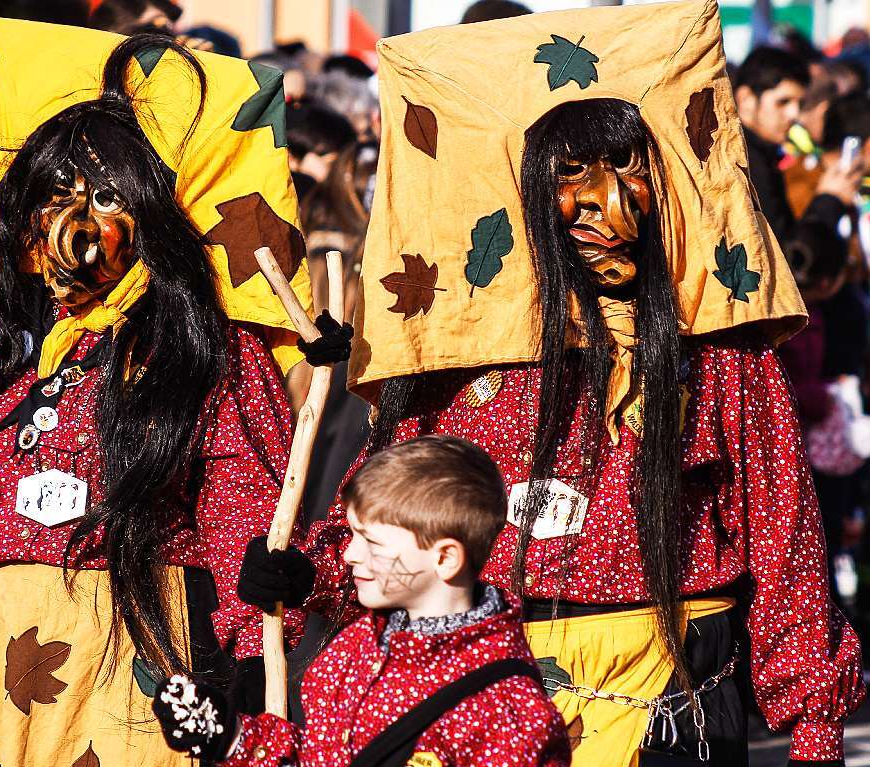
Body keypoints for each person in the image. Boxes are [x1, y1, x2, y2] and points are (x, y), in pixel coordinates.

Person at [239, 1, 865, 763]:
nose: (609, 204)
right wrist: (308, 573)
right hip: (490, 701)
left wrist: (815, 725)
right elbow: (392, 506)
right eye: (572, 174)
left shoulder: (717, 350)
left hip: (677, 700)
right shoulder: (463, 347)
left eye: (627, 167)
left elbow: (782, 529)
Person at [0, 20, 315, 767]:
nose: (74, 224)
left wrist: (263, 602)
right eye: (54, 193)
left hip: (131, 669)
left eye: (103, 196)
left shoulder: (209, 346)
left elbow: (241, 509)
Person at [156, 436, 571, 767]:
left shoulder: (509, 715)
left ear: (445, 558)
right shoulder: (351, 651)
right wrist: (232, 739)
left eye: (370, 541)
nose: (350, 554)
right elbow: (319, 758)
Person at [734, 46, 861, 244]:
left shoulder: (761, 155)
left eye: (799, 104)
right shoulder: (743, 161)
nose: (794, 115)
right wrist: (829, 199)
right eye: (782, 102)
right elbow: (786, 256)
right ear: (746, 100)